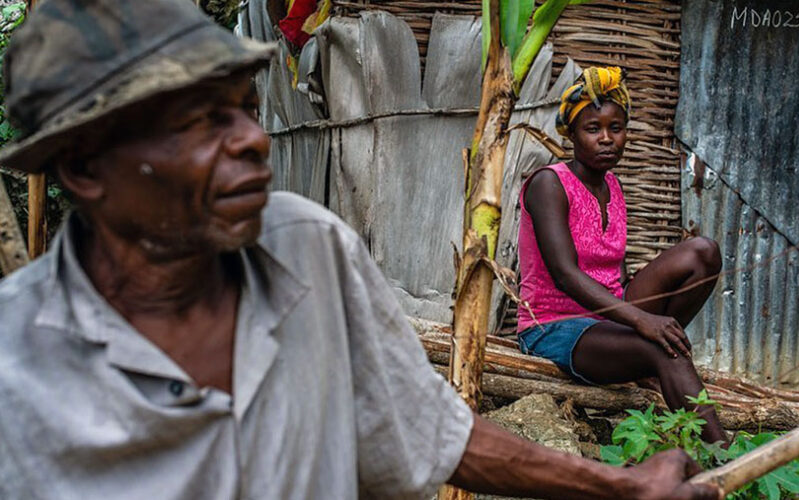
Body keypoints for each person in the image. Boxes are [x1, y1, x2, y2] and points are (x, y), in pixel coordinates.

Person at [0, 1, 719, 499]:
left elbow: (424, 431)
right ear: (84, 169)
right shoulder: (17, 367)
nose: (251, 141)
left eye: (246, 110)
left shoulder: (309, 249)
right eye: (197, 123)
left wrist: (617, 485)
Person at [518, 67, 728, 444]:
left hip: (608, 314)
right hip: (553, 326)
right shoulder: (549, 184)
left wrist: (643, 320)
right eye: (592, 128)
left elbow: (615, 272)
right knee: (663, 349)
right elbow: (565, 275)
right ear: (572, 134)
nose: (606, 139)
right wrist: (644, 323)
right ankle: (728, 463)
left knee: (704, 253)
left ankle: (647, 357)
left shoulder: (613, 186)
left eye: (616, 128)